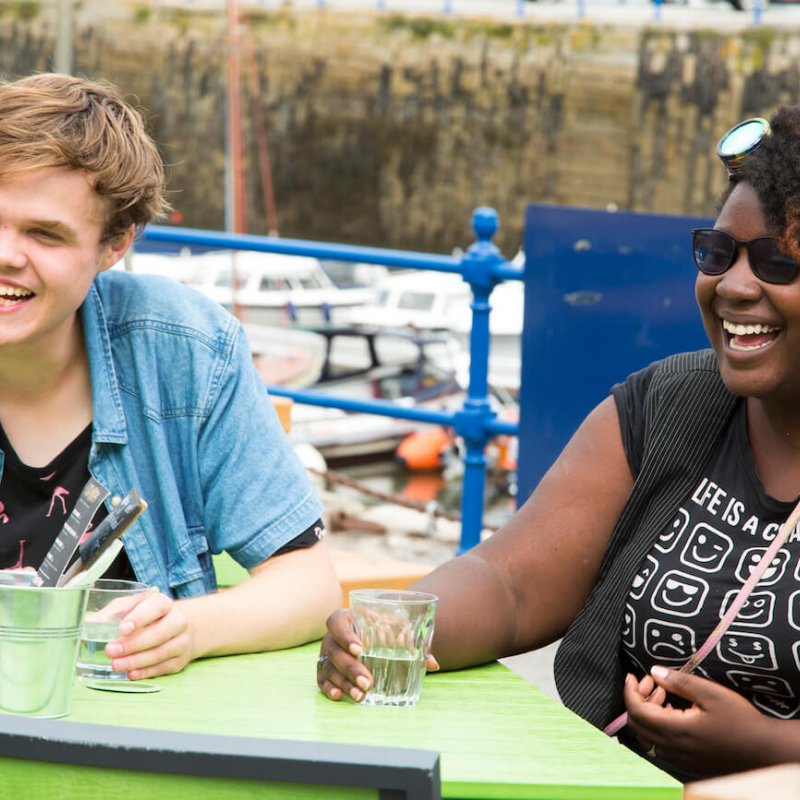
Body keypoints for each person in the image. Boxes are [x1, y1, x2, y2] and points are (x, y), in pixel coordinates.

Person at [318, 107, 800, 781]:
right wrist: (392, 631)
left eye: (778, 264)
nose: (735, 286)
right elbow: (510, 581)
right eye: (718, 255)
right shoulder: (669, 404)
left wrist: (769, 747)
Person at [0, 72, 341, 679]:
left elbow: (310, 584)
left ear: (116, 244)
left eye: (44, 233)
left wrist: (191, 628)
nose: (6, 253)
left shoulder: (185, 350)